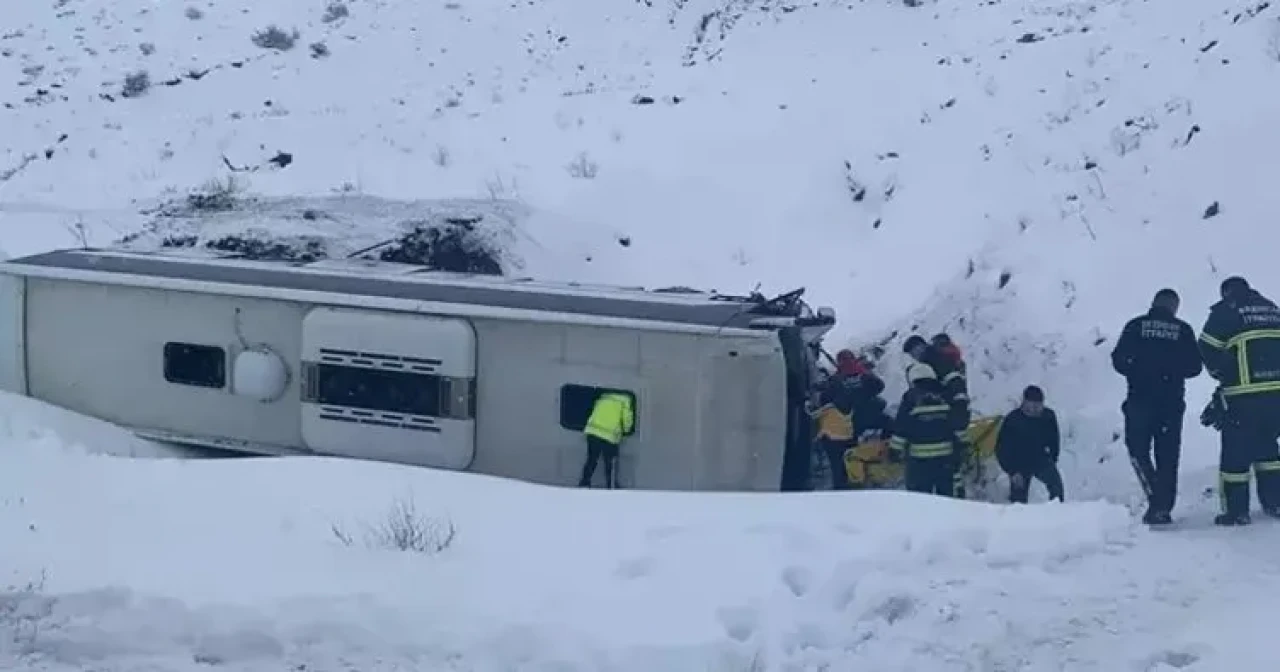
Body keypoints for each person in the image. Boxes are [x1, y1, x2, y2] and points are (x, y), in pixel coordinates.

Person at [1109, 288, 1203, 525]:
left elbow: (1118, 359)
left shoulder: (1135, 326)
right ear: (1174, 307)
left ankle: (1156, 499)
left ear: (1154, 303)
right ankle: (1164, 507)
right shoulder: (1183, 330)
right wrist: (1171, 370)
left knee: (1137, 450)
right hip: (1170, 404)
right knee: (1168, 457)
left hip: (1139, 400)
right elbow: (1195, 367)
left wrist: (1137, 369)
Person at [1198, 276, 1280, 525]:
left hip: (1244, 396)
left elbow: (1207, 347)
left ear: (1227, 293)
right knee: (1268, 450)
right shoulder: (1272, 309)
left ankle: (1236, 511)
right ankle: (1275, 502)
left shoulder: (1227, 311)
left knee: (1235, 454)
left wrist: (1222, 374)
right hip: (1277, 395)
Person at [904, 334, 971, 495]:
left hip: (950, 410)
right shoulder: (936, 359)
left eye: (914, 352)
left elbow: (951, 383)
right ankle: (956, 491)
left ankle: (956, 493)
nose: (914, 356)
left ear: (920, 347)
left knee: (951, 455)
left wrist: (951, 405)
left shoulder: (935, 360)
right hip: (952, 409)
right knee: (951, 457)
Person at [889, 363, 963, 496]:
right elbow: (956, 423)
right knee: (947, 499)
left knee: (920, 501)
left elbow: (902, 426)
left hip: (919, 462)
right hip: (945, 459)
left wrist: (894, 450)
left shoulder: (911, 397)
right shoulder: (946, 394)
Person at [994, 385, 1065, 503]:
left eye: (1038, 406)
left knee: (1056, 486)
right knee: (1018, 501)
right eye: (1031, 405)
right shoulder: (1013, 420)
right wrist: (1012, 471)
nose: (1035, 409)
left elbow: (1054, 441)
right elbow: (1001, 449)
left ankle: (1057, 513)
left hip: (1040, 459)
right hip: (1018, 463)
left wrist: (1052, 459)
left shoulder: (1048, 417)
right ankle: (1019, 519)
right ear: (1024, 403)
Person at [578, 390, 635, 488]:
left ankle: (584, 482)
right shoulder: (625, 400)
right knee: (610, 462)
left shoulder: (604, 396)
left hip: (593, 431)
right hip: (609, 435)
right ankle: (611, 485)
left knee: (591, 459)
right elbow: (627, 418)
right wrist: (626, 430)